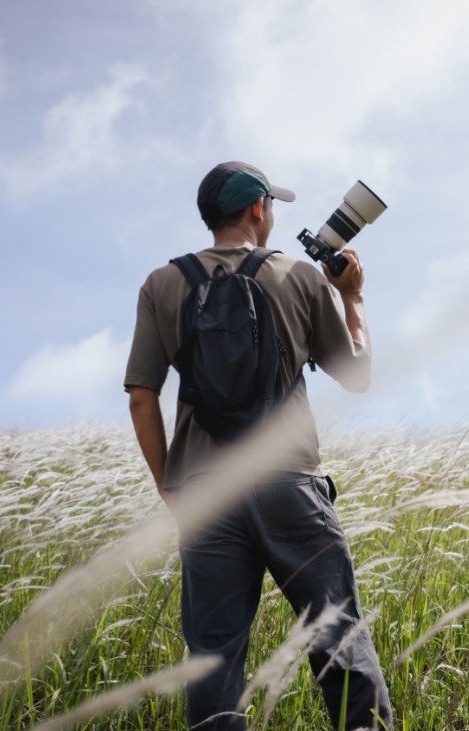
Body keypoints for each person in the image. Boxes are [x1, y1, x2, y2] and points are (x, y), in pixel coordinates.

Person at [123, 161, 392, 730]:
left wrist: (174, 489)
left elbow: (141, 399)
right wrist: (355, 299)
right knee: (338, 636)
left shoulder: (161, 284)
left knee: (213, 664)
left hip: (205, 494)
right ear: (257, 210)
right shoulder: (300, 275)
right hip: (289, 483)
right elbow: (357, 374)